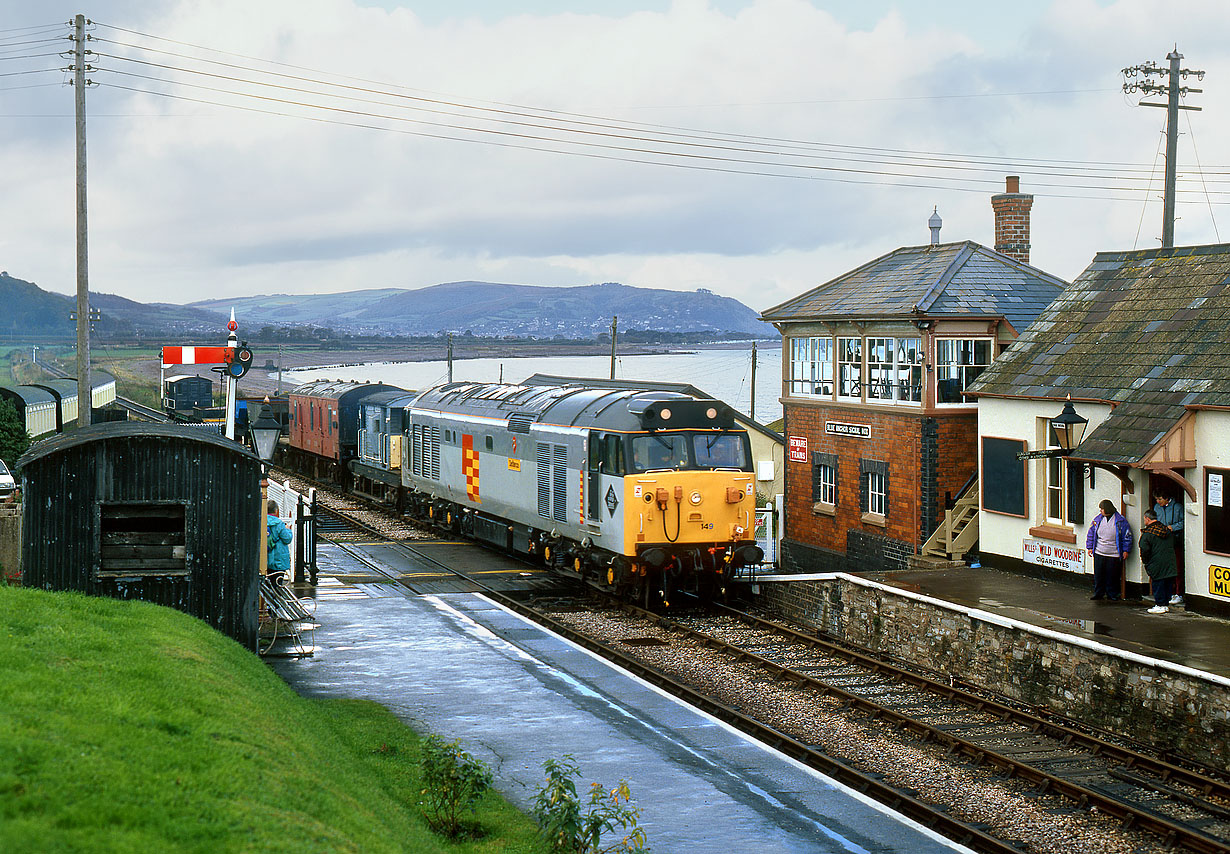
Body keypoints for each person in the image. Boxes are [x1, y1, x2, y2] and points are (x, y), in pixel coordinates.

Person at [1085, 498, 1132, 601]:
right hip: (1099, 551)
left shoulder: (1120, 521)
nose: (1100, 511)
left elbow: (1127, 536)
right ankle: (1099, 593)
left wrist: (1126, 550)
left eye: (1102, 509)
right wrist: (1089, 547)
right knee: (1099, 575)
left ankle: (1112, 594)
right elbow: (1091, 534)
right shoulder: (1097, 520)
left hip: (1114, 553)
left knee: (1112, 575)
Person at [1139, 508, 1177, 614]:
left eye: (1144, 519)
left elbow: (1144, 549)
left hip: (1156, 562)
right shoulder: (1166, 530)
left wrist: (1146, 563)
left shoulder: (1147, 533)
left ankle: (1160, 605)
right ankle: (1165, 604)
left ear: (1147, 518)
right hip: (1169, 561)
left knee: (1158, 584)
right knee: (1167, 583)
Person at [1152, 490, 1185, 607]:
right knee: (1165, 568)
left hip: (1175, 540)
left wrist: (1173, 527)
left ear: (1166, 498)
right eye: (1156, 499)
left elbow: (1185, 522)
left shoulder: (1178, 507)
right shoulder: (1157, 507)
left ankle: (1179, 594)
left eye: (1160, 499)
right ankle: (1169, 592)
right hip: (1162, 541)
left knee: (1177, 567)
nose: (1158, 501)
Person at [266, 499, 293, 577]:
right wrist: (288, 530)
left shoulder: (261, 521)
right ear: (276, 510)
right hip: (279, 558)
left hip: (265, 558)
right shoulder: (279, 523)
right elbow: (287, 539)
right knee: (277, 582)